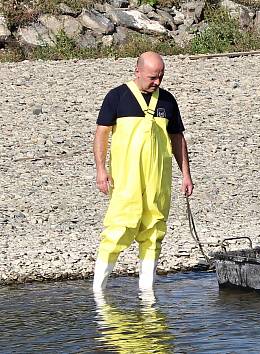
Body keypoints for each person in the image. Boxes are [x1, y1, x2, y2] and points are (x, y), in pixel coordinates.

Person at [92, 51, 193, 292]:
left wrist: (186, 174)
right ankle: (98, 291)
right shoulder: (117, 97)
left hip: (158, 179)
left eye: (160, 76)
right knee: (119, 228)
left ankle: (147, 291)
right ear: (137, 72)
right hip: (126, 179)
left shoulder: (167, 101)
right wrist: (100, 170)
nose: (157, 82)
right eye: (152, 77)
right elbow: (102, 133)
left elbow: (177, 138)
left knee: (154, 229)